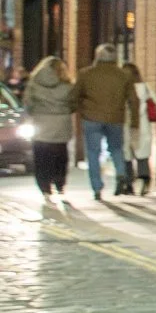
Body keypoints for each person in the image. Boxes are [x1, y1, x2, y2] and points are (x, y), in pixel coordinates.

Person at [73, 44, 134, 202]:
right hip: (115, 118)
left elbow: (75, 95)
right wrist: (134, 119)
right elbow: (132, 98)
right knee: (116, 149)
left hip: (91, 118)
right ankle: (120, 173)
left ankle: (97, 188)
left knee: (93, 153)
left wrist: (78, 109)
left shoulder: (86, 74)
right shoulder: (123, 75)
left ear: (97, 56)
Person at [23, 55, 76, 202]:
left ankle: (44, 185)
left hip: (41, 124)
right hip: (61, 124)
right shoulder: (67, 85)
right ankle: (59, 183)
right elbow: (73, 103)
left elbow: (28, 104)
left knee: (41, 156)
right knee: (60, 154)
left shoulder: (34, 84)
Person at [126, 67, 156, 195]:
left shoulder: (124, 88)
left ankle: (128, 183)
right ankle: (145, 180)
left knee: (127, 155)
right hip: (143, 126)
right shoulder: (145, 87)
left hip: (126, 125)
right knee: (143, 156)